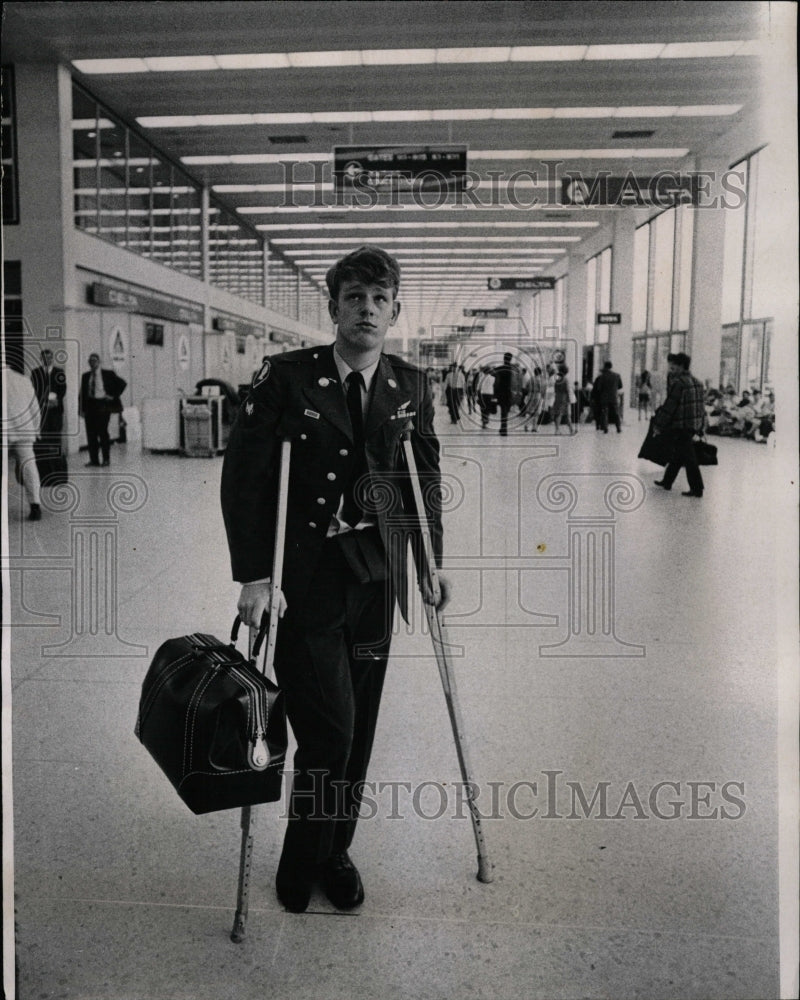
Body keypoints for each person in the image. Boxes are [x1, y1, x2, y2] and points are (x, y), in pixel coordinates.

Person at [221, 246, 450, 914]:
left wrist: (430, 564)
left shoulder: (410, 384)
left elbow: (424, 480)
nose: (367, 311)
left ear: (396, 310)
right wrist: (255, 576)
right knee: (331, 730)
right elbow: (246, 478)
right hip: (305, 582)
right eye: (354, 298)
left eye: (380, 300)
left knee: (361, 726)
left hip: (376, 581)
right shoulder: (287, 379)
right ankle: (305, 858)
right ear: (334, 308)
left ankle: (336, 849)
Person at [652, 352, 706, 498]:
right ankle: (667, 481)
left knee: (689, 457)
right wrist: (702, 426)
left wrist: (658, 424)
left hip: (681, 425)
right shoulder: (698, 382)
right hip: (693, 424)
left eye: (674, 367)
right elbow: (702, 407)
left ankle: (697, 488)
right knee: (679, 454)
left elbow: (670, 406)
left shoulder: (680, 384)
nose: (672, 369)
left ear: (681, 366)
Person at [2, 364, 43, 520]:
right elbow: (35, 408)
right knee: (29, 467)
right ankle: (35, 505)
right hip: (24, 429)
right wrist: (36, 429)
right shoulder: (23, 380)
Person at [79, 353, 127, 467]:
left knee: (102, 432)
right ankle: (94, 459)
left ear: (99, 362)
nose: (92, 363)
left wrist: (113, 396)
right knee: (91, 434)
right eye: (90, 361)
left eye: (95, 360)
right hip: (90, 405)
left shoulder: (108, 374)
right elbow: (82, 393)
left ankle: (106, 459)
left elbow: (122, 384)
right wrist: (80, 409)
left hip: (103, 405)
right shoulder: (85, 376)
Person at [31, 348, 67, 483]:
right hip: (42, 411)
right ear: (41, 359)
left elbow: (63, 389)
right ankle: (45, 472)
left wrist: (56, 400)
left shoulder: (59, 372)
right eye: (45, 358)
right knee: (43, 439)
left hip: (56, 411)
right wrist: (44, 402)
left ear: (53, 358)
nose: (48, 360)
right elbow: (34, 389)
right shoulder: (35, 373)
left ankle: (57, 472)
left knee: (56, 439)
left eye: (50, 357)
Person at [593, 360, 623, 433]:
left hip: (604, 397)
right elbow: (620, 386)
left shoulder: (602, 376)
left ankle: (605, 428)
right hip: (614, 397)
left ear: (605, 367)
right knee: (616, 413)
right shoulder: (617, 375)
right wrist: (614, 389)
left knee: (605, 412)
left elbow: (599, 388)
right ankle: (618, 428)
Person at [494, 352, 515, 436]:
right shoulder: (513, 369)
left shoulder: (499, 369)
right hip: (509, 393)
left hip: (501, 392)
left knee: (503, 411)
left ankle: (503, 429)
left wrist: (495, 393)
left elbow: (496, 382)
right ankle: (504, 428)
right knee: (506, 411)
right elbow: (515, 382)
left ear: (504, 358)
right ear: (511, 359)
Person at [551, 364, 575, 434]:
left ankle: (557, 430)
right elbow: (567, 389)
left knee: (558, 414)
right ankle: (571, 430)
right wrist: (569, 399)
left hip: (558, 397)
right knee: (568, 414)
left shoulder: (558, 379)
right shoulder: (566, 379)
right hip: (564, 397)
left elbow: (555, 389)